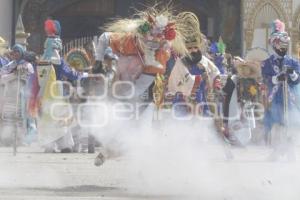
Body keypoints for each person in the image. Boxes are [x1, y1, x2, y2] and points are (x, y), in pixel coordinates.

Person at [262, 19, 300, 160]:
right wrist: (277, 78)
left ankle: (290, 151)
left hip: (290, 99)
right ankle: (277, 151)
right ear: (274, 44)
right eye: (280, 45)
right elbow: (266, 79)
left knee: (291, 124)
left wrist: (292, 73)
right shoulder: (267, 63)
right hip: (275, 99)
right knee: (277, 125)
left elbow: (297, 81)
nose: (282, 48)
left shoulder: (293, 62)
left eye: (285, 45)